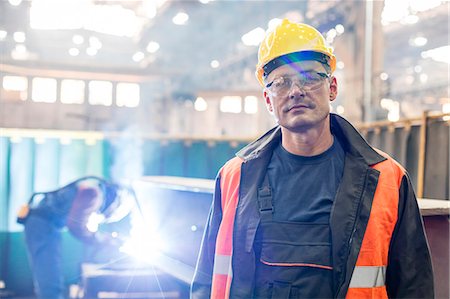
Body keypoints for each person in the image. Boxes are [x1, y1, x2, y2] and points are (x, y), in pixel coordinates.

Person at [191, 19, 434, 299]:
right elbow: (207, 278)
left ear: (331, 87)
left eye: (308, 77)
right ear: (269, 101)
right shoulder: (234, 178)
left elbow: (415, 287)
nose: (296, 91)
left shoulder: (387, 180)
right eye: (281, 83)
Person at [17, 176, 134, 299]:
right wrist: (101, 240)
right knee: (49, 280)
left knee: (49, 277)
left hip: (44, 224)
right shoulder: (93, 193)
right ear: (116, 200)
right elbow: (76, 226)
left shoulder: (92, 188)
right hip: (42, 225)